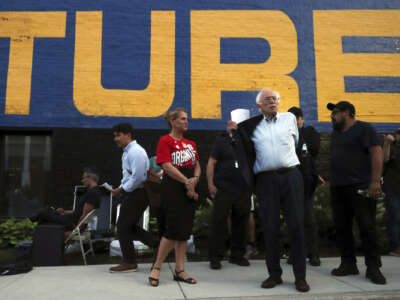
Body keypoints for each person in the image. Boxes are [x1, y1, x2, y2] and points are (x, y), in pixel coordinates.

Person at [227, 88, 309, 292]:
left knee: (297, 227)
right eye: (267, 99)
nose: (272, 101)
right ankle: (274, 275)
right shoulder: (250, 127)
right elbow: (241, 147)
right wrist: (232, 133)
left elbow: (297, 144)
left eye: (275, 98)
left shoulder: (289, 118)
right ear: (259, 106)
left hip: (291, 175)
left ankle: (300, 277)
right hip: (266, 180)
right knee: (271, 229)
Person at [327, 101, 386, 284]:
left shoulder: (364, 129)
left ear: (347, 113)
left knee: (367, 227)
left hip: (360, 186)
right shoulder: (336, 133)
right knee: (342, 227)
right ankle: (348, 264)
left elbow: (377, 153)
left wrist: (375, 181)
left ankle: (373, 267)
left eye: (335, 112)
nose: (332, 116)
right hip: (338, 187)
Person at [148, 108, 201, 287]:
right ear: (173, 121)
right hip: (173, 187)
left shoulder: (191, 144)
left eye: (187, 119)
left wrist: (195, 179)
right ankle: (157, 267)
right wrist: (186, 181)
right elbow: (166, 165)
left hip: (189, 187)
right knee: (172, 229)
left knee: (184, 231)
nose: (186, 122)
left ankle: (180, 270)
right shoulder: (165, 141)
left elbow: (197, 165)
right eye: (183, 119)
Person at [109, 123, 158, 273]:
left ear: (128, 135)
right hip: (133, 193)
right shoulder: (127, 152)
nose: (115, 139)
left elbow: (138, 177)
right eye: (115, 136)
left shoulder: (136, 152)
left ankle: (130, 262)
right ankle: (158, 244)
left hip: (138, 193)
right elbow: (129, 176)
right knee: (127, 226)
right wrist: (121, 188)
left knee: (123, 226)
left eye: (118, 135)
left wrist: (121, 189)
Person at [207, 131, 251, 270]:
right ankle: (215, 257)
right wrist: (210, 184)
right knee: (219, 222)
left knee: (241, 222)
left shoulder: (248, 144)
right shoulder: (221, 142)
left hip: (243, 188)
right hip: (224, 187)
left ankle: (237, 255)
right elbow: (211, 163)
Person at [287, 106, 322, 266]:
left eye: (297, 118)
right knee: (293, 220)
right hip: (291, 183)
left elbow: (314, 151)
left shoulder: (309, 132)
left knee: (309, 220)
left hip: (307, 183)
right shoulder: (286, 134)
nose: (294, 122)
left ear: (302, 119)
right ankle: (295, 254)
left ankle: (313, 254)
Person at [30, 167, 101, 231]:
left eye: (83, 178)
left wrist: (77, 229)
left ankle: (32, 224)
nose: (82, 181)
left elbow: (85, 215)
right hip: (70, 219)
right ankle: (41, 238)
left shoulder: (93, 193)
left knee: (44, 213)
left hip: (71, 222)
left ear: (90, 178)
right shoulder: (92, 192)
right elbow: (78, 212)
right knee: (49, 212)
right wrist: (64, 212)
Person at [382, 128, 400, 256]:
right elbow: (385, 159)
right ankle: (396, 247)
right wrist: (387, 143)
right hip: (392, 187)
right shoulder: (392, 147)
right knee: (394, 215)